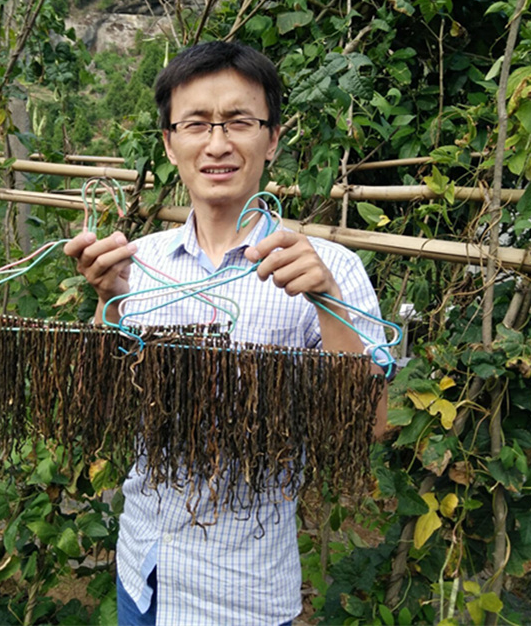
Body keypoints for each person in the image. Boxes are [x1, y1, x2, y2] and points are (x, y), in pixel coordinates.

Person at [64, 41, 387, 626]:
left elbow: (371, 427)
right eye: (196, 124)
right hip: (143, 573)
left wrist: (330, 306)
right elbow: (104, 407)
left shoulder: (328, 268)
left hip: (245, 593)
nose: (217, 144)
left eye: (240, 121)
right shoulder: (141, 262)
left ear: (273, 137)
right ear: (169, 142)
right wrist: (109, 302)